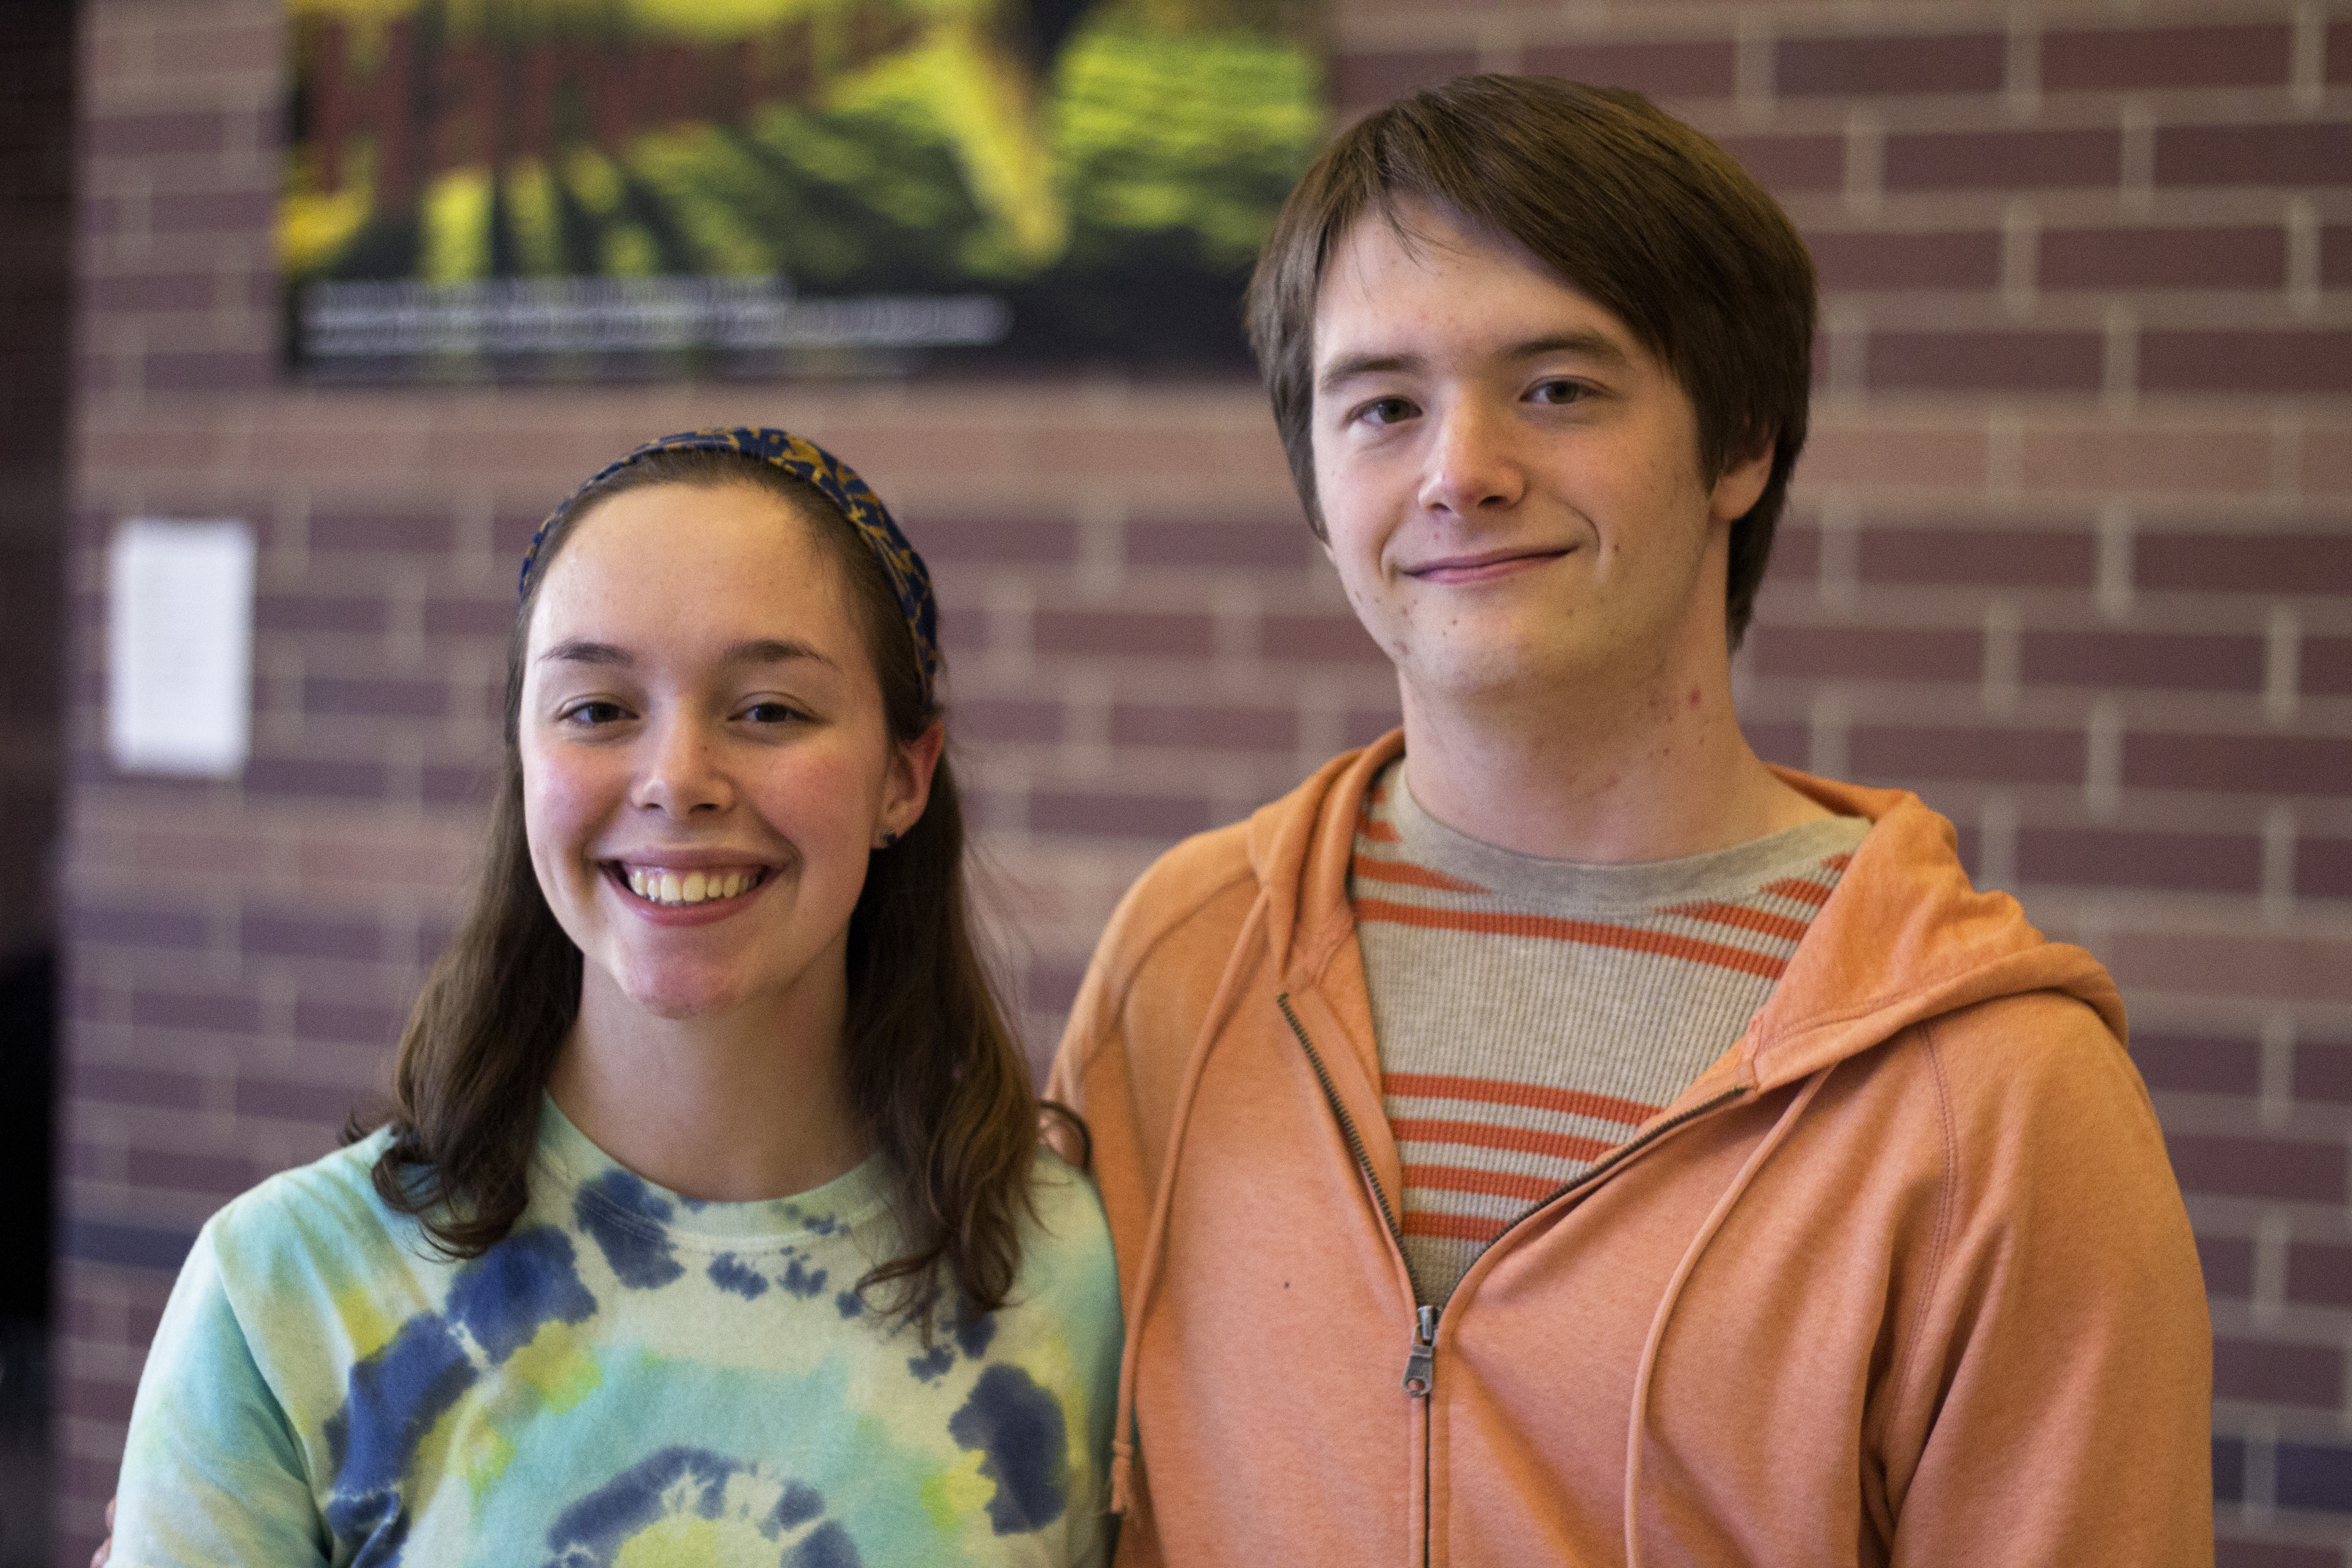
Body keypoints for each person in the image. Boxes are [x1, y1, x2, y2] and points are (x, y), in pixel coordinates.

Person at [1045, 76, 2212, 1565]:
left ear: (1740, 447)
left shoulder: (1991, 1095)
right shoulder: (1184, 958)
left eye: (1558, 387)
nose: (1460, 470)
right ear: (1318, 488)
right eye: (1384, 406)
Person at [107, 429, 1122, 1566]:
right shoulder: (283, 1291)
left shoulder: (1073, 1277)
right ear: (525, 764)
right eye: (597, 710)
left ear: (905, 776)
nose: (677, 778)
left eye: (770, 710)